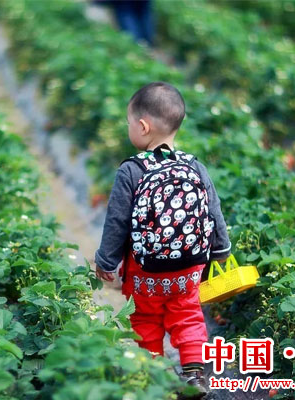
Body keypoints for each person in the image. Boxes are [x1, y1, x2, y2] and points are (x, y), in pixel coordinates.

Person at [94, 82, 231, 396]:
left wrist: (106, 261)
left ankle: (156, 373)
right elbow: (213, 210)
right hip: (189, 270)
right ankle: (194, 374)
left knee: (145, 318)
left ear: (143, 127)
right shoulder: (194, 166)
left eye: (129, 123)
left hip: (146, 273)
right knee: (188, 314)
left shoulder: (132, 171)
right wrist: (220, 249)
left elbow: (117, 221)